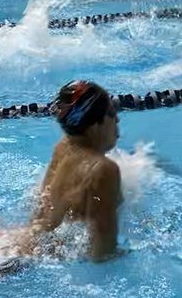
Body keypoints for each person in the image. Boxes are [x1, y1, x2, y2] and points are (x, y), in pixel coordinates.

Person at [21, 80, 122, 262]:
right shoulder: (104, 169)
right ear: (94, 124)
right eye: (111, 112)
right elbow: (103, 255)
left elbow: (41, 211)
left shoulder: (64, 147)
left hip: (21, 246)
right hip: (29, 263)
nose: (117, 119)